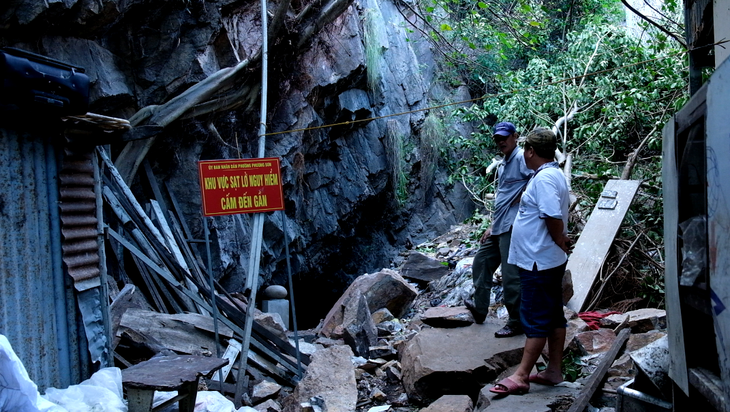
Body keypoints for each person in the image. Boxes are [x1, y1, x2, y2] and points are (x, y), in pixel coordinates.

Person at [489, 127, 572, 396]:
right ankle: (554, 370)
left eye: (525, 149)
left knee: (535, 316)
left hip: (538, 261)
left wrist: (559, 239)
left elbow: (551, 215)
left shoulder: (545, 179)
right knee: (553, 314)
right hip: (545, 259)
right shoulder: (552, 174)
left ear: (531, 151)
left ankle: (521, 375)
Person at [465, 121, 533, 338]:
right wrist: (492, 225)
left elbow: (537, 176)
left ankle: (516, 322)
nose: (501, 141)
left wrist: (525, 198)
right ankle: (480, 309)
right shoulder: (504, 163)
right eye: (497, 138)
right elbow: (504, 197)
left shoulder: (522, 157)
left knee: (510, 274)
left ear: (516, 136)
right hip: (500, 224)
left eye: (505, 137)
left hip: (513, 225)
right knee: (481, 261)